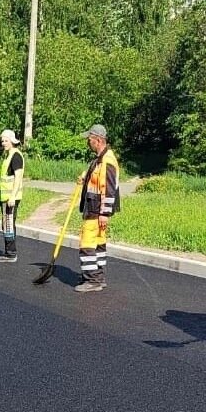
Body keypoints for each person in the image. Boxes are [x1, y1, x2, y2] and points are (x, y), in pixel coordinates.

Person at [75, 124, 120, 292]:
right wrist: (84, 177)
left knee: (87, 242)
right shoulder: (99, 158)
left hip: (96, 209)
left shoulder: (107, 160)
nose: (88, 142)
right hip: (95, 208)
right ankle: (98, 277)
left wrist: (104, 213)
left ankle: (92, 280)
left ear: (98, 140)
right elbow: (95, 177)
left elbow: (109, 188)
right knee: (99, 243)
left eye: (90, 139)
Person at [0, 129, 25, 263]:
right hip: (5, 197)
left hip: (11, 198)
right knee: (6, 224)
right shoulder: (9, 155)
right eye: (2, 141)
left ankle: (11, 254)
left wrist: (12, 197)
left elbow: (18, 178)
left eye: (6, 140)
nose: (3, 143)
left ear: (12, 141)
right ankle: (9, 252)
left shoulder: (16, 156)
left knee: (9, 224)